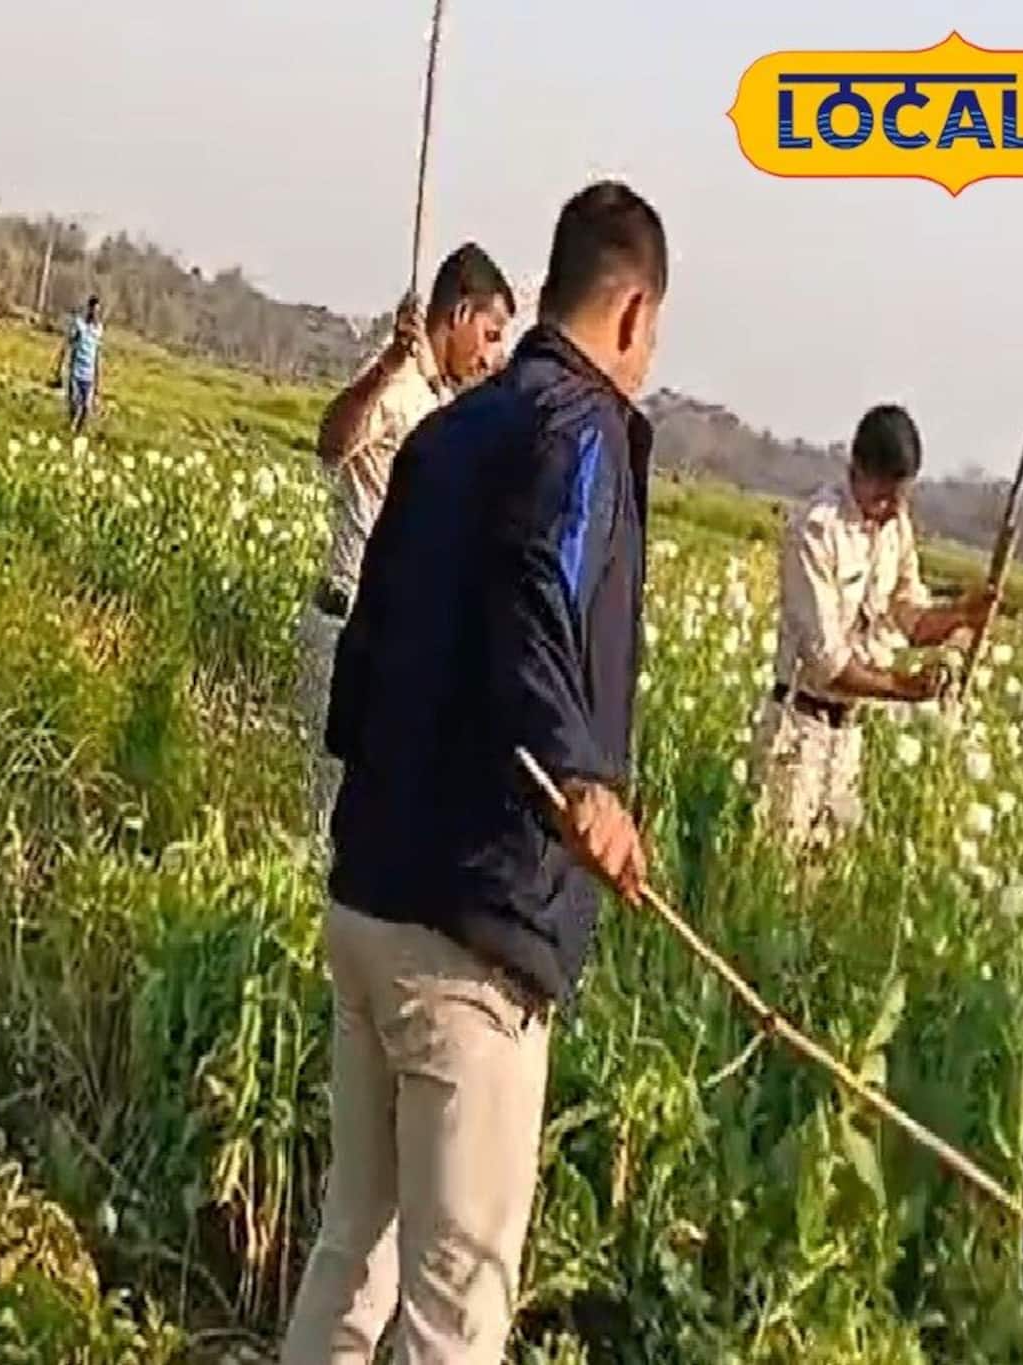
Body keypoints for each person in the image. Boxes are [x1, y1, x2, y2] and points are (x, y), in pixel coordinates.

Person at [281, 181, 667, 1365]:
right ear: (634, 311)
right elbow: (535, 595)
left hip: (369, 894)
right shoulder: (582, 427)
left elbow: (373, 649)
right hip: (470, 931)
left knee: (357, 1242)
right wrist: (581, 784)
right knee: (457, 1306)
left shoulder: (449, 430)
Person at [295, 243, 516, 837]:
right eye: (492, 335)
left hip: (391, 635)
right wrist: (390, 360)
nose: (495, 357)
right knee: (325, 820)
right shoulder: (397, 382)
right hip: (347, 624)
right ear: (461, 316)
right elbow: (333, 442)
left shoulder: (444, 406)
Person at [750, 404, 999, 849]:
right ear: (856, 470)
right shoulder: (815, 531)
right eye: (883, 496)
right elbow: (829, 663)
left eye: (902, 496)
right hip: (798, 729)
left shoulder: (894, 529)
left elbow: (911, 616)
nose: (892, 510)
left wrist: (962, 614)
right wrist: (905, 688)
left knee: (823, 876)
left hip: (849, 738)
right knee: (775, 877)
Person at [55, 295, 105, 434]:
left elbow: (98, 355)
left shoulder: (98, 330)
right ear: (89, 309)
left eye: (98, 311)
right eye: (93, 310)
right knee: (75, 405)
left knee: (87, 408)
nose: (95, 314)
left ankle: (77, 433)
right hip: (76, 372)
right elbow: (67, 346)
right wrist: (60, 368)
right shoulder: (79, 326)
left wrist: (99, 380)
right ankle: (70, 427)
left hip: (89, 376)